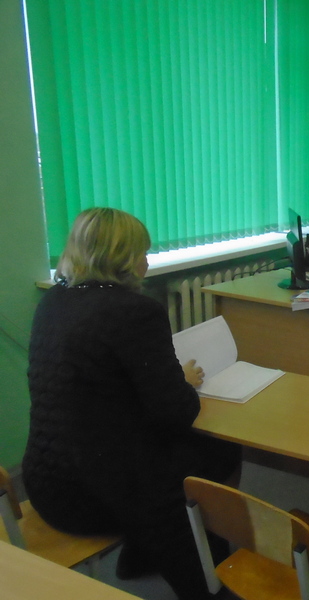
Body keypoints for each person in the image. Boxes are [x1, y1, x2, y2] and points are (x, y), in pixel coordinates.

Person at [23, 208, 241, 599]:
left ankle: (140, 553)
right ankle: (204, 579)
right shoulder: (134, 312)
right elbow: (175, 413)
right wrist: (183, 381)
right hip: (97, 498)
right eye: (142, 252)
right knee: (219, 451)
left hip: (45, 486)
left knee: (138, 451)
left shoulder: (53, 301)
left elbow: (96, 391)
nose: (147, 262)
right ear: (121, 259)